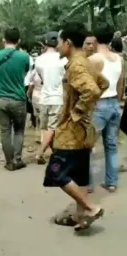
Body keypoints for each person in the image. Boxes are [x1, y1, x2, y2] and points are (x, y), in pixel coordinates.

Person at [45, 22, 108, 231]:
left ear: (68, 43)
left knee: (57, 172)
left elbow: (91, 90)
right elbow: (103, 84)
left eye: (60, 42)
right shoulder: (88, 62)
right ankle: (81, 216)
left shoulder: (76, 65)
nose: (58, 46)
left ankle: (89, 208)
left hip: (71, 131)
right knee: (80, 175)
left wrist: (78, 111)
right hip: (83, 131)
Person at [88, 24, 124, 193]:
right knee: (111, 145)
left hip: (98, 105)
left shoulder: (94, 60)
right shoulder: (119, 59)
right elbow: (121, 84)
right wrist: (118, 100)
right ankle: (111, 182)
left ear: (95, 38)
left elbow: (89, 86)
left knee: (87, 146)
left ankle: (87, 184)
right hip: (114, 103)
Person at [0, 27, 30, 171]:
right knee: (19, 131)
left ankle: (9, 162)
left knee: (5, 132)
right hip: (18, 99)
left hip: (0, 100)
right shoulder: (24, 57)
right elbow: (25, 72)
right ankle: (18, 159)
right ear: (18, 41)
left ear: (3, 40)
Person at [35, 31, 67, 165]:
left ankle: (56, 155)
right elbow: (66, 79)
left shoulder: (39, 59)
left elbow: (41, 78)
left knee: (46, 127)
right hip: (58, 97)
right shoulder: (63, 59)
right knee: (53, 128)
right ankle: (40, 153)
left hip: (44, 98)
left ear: (44, 43)